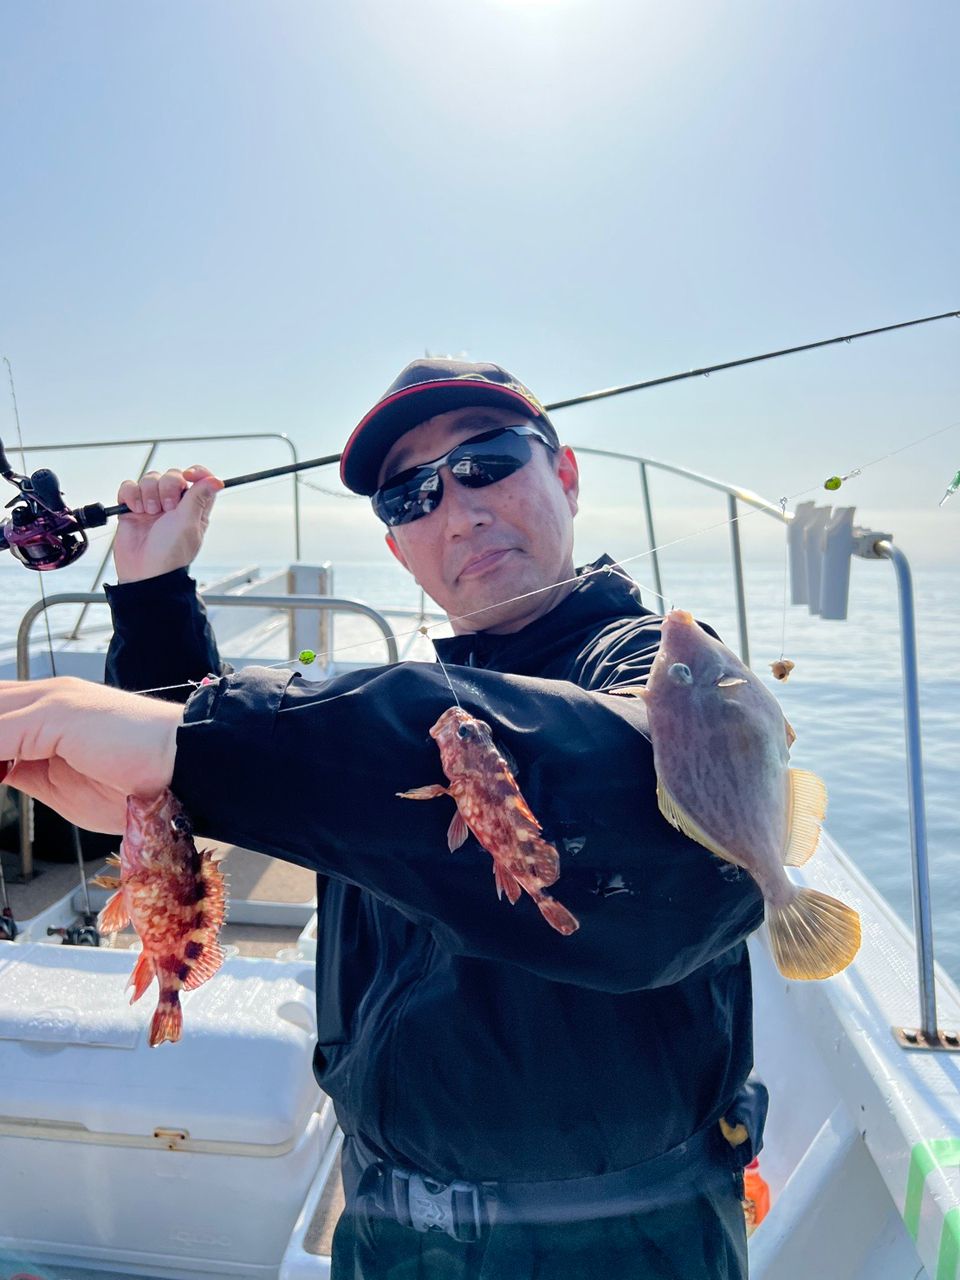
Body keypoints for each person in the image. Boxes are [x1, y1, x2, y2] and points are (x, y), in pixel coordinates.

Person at [0, 358, 767, 1280]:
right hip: (385, 1227)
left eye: (487, 462)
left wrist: (205, 743)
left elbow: (651, 827)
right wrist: (153, 593)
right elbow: (178, 784)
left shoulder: (664, 670)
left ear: (563, 477)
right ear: (398, 549)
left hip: (617, 1241)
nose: (459, 509)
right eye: (410, 497)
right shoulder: (392, 714)